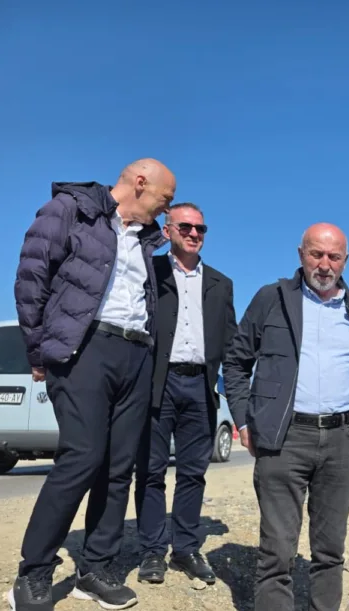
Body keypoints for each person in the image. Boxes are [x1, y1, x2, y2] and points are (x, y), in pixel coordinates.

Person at [223, 223, 349, 611]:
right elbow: (235, 361)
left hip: (342, 439)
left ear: (346, 260)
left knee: (329, 551)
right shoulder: (271, 300)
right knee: (277, 553)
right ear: (301, 254)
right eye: (316, 254)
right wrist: (244, 417)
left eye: (334, 257)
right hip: (284, 440)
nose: (324, 264)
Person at [9, 159, 176, 611]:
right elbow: (31, 278)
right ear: (140, 183)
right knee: (81, 457)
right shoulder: (69, 210)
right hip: (85, 349)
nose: (166, 210)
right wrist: (38, 350)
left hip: (135, 353)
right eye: (164, 198)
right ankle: (33, 573)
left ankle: (96, 568)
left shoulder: (145, 239)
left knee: (119, 466)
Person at [134, 202, 237, 585]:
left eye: (200, 228)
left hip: (200, 386)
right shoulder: (150, 271)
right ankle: (152, 551)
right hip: (157, 383)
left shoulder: (221, 284)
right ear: (168, 231)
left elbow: (231, 341)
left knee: (194, 472)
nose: (194, 234)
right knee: (151, 471)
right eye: (186, 227)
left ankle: (186, 549)